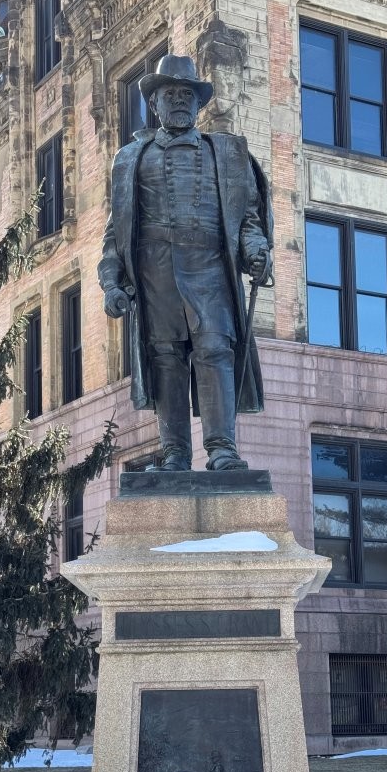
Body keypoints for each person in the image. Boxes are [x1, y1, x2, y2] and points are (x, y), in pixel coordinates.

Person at [98, 55, 273, 472]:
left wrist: (256, 251)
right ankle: (175, 453)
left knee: (215, 350)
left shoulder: (226, 153)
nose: (179, 101)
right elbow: (117, 230)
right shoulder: (130, 158)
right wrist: (112, 283)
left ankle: (222, 449)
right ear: (154, 104)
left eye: (186, 94)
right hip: (154, 273)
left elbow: (248, 218)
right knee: (166, 358)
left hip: (210, 267)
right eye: (170, 94)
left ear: (198, 104)